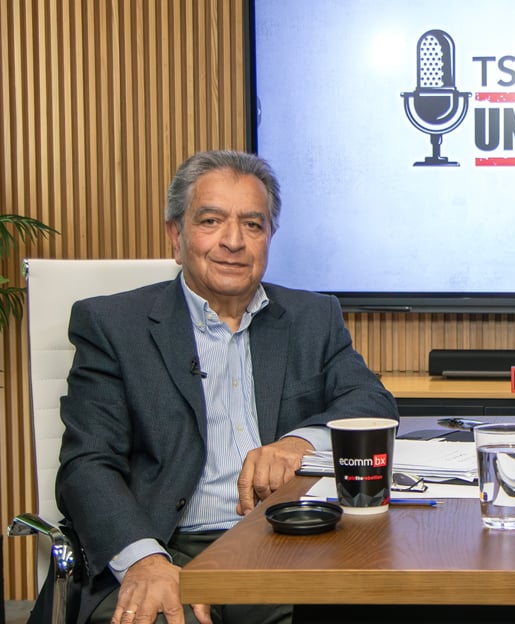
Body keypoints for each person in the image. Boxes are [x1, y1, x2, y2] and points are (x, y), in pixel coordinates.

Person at [31, 150, 399, 624]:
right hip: (164, 544)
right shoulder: (112, 325)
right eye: (211, 221)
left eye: (252, 225)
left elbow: (372, 402)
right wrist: (145, 560)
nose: (233, 241)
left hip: (282, 543)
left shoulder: (313, 317)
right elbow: (86, 465)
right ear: (176, 235)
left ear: (269, 237)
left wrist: (298, 443)